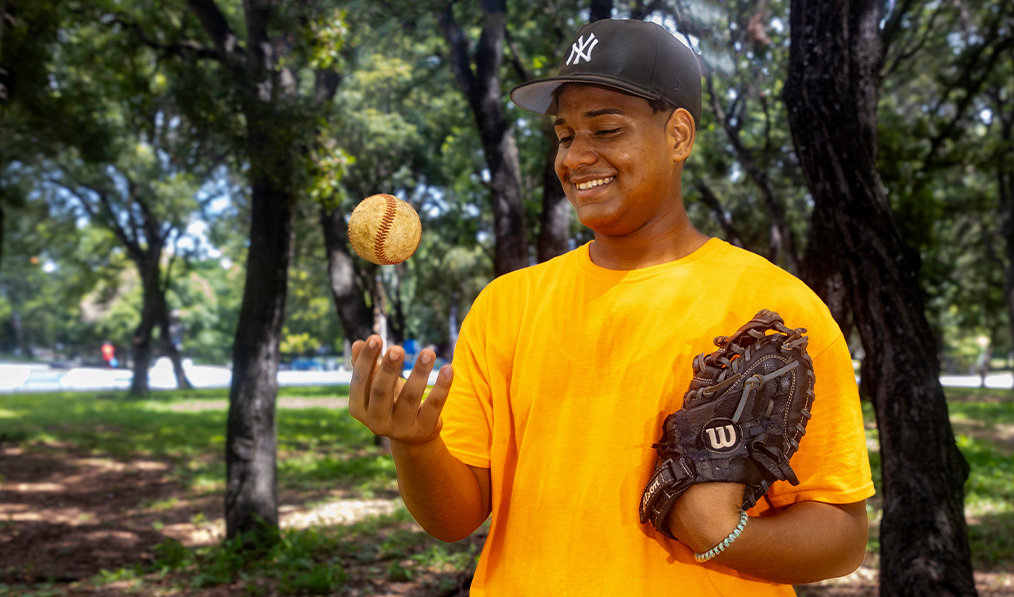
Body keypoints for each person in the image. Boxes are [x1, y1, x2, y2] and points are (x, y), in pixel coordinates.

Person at [348, 18, 873, 595]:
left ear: (678, 135)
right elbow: (455, 518)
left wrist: (721, 535)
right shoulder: (508, 305)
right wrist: (415, 443)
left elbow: (843, 538)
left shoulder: (773, 308)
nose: (576, 158)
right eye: (565, 134)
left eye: (606, 129)